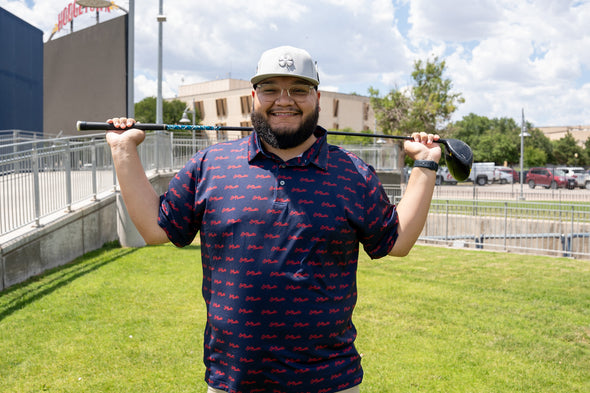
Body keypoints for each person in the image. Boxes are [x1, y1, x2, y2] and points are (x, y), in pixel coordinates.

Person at [106, 46, 441, 393]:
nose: (284, 100)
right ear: (254, 96)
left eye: (298, 89)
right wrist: (122, 150)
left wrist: (426, 164)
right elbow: (155, 228)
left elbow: (397, 242)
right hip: (232, 381)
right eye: (270, 89)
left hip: (330, 382)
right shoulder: (211, 165)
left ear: (317, 97)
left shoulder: (352, 174)